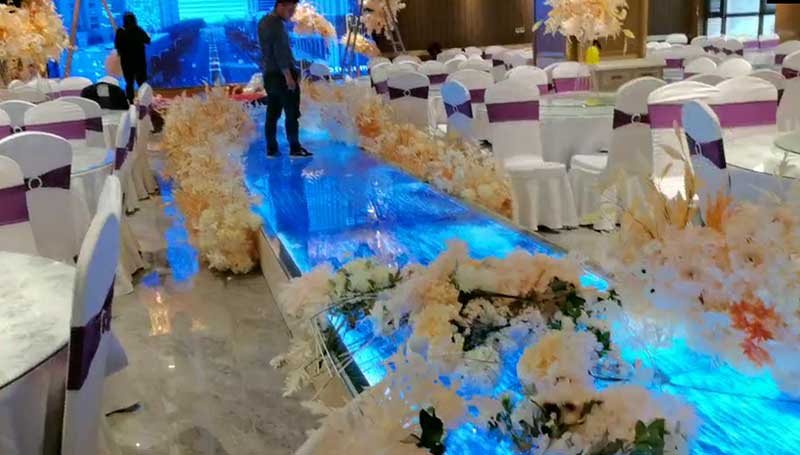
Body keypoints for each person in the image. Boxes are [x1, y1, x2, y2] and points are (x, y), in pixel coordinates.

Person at [258, 0, 312, 158]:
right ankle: (295, 148)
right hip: (282, 76)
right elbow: (280, 52)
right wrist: (288, 77)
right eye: (290, 10)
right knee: (291, 113)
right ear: (280, 5)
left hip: (269, 75)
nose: (292, 14)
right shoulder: (277, 25)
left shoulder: (263, 22)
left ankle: (271, 149)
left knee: (272, 114)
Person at [114, 12, 151, 103]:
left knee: (129, 83)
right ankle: (144, 102)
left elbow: (117, 46)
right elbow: (148, 40)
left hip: (126, 62)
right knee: (142, 83)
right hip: (139, 61)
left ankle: (130, 103)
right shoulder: (138, 30)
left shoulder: (120, 31)